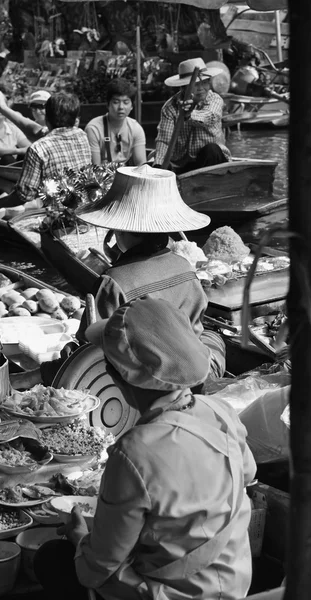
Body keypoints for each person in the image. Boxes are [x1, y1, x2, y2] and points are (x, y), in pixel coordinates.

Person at [33, 296, 256, 600]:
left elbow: (97, 567)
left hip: (174, 594)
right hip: (232, 583)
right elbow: (247, 473)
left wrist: (79, 537)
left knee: (53, 559)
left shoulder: (133, 450)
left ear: (115, 377)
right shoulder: (220, 412)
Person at [76, 164, 226, 380]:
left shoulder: (113, 281)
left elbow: (91, 348)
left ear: (122, 230)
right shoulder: (185, 267)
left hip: (143, 383)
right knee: (213, 336)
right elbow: (196, 325)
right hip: (191, 372)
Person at [0, 92, 91, 213]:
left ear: (46, 118)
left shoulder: (38, 149)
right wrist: (3, 108)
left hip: (58, 218)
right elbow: (33, 129)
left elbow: (24, 196)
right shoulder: (82, 135)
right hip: (85, 212)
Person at [154, 58, 231, 173]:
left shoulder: (215, 99)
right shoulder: (170, 107)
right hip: (183, 164)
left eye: (205, 83)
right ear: (184, 87)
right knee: (156, 166)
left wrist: (188, 115)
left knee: (211, 150)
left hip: (213, 161)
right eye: (195, 84)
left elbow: (209, 117)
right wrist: (159, 166)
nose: (201, 89)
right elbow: (164, 141)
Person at [85, 78, 146, 166]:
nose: (121, 107)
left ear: (132, 106)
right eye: (116, 102)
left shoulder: (136, 128)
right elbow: (95, 167)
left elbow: (141, 164)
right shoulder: (93, 129)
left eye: (126, 102)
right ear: (107, 104)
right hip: (101, 176)